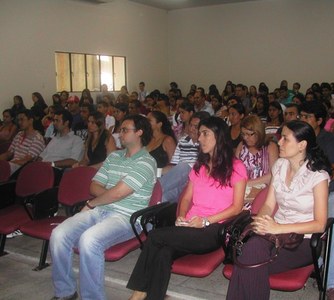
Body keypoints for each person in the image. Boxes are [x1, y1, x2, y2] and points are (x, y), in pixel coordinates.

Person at [126, 116, 247, 300]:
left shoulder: (236, 167)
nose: (199, 139)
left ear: (219, 136)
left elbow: (237, 207)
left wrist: (205, 221)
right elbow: (186, 198)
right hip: (189, 225)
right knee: (163, 253)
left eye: (205, 134)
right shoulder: (200, 166)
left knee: (156, 237)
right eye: (200, 134)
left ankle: (137, 295)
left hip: (214, 229)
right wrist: (181, 216)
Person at [49, 115, 157, 300]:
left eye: (125, 130)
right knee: (59, 234)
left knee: (89, 240)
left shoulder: (147, 162)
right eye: (120, 129)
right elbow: (94, 186)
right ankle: (65, 291)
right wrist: (112, 193)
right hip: (101, 210)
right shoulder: (114, 156)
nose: (119, 134)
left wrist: (94, 202)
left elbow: (117, 193)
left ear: (139, 132)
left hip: (126, 218)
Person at [226, 120, 331, 300]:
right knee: (251, 251)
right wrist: (262, 221)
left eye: (285, 139)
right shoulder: (280, 166)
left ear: (302, 145)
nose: (279, 142)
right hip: (274, 232)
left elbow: (320, 225)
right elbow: (268, 204)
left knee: (247, 262)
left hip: (302, 241)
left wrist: (277, 228)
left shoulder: (318, 176)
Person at [300, 101, 334, 299]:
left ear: (319, 121)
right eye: (301, 116)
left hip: (333, 191)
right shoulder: (297, 140)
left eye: (307, 117)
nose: (302, 120)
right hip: (305, 192)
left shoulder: (330, 141)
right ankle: (310, 263)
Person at [159, 111, 210, 203]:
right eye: (190, 125)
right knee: (162, 197)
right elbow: (174, 166)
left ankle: (152, 190)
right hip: (179, 179)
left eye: (196, 127)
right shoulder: (183, 141)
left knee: (185, 166)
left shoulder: (207, 144)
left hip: (195, 180)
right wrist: (156, 172)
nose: (191, 129)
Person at [236, 115, 278, 200]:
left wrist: (248, 183)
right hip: (243, 190)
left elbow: (273, 175)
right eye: (243, 134)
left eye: (249, 134)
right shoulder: (241, 146)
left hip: (264, 191)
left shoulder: (270, 147)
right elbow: (234, 171)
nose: (245, 138)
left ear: (258, 132)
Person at [38, 109, 84, 184]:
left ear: (66, 123)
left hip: (56, 171)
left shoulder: (76, 140)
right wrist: (36, 165)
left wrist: (52, 164)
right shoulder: (54, 139)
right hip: (43, 168)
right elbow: (42, 155)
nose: (54, 123)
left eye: (57, 121)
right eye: (54, 120)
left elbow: (74, 161)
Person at [0, 109, 45, 174]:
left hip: (23, 169)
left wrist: (7, 164)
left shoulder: (37, 138)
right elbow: (8, 153)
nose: (19, 122)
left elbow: (27, 161)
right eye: (18, 120)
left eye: (22, 119)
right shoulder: (19, 134)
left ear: (31, 120)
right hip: (12, 165)